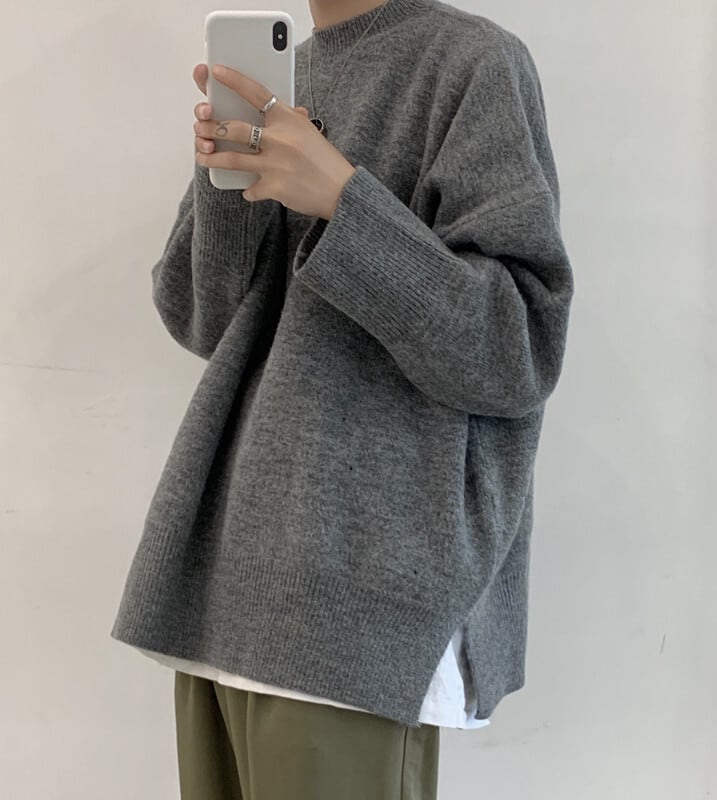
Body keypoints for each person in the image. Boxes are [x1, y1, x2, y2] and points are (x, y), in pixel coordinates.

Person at [110, 0, 574, 797]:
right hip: (223, 591)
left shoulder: (472, 63)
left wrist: (343, 198)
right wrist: (225, 181)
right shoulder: (284, 74)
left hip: (358, 609)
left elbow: (517, 350)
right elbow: (203, 322)